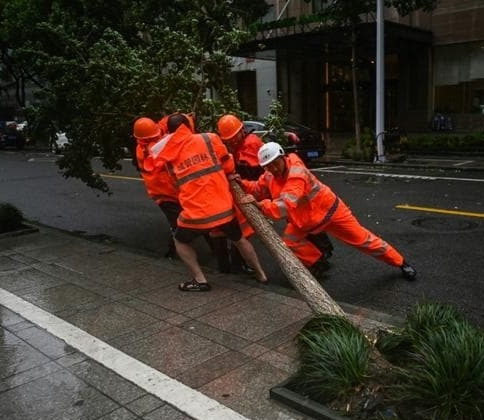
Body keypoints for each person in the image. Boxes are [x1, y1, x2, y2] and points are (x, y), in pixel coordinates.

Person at [234, 141, 417, 281]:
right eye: (268, 166)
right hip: (305, 221)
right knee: (288, 243)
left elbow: (284, 207)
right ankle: (317, 262)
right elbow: (259, 188)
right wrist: (241, 183)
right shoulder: (270, 175)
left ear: (283, 156)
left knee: (364, 240)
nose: (273, 168)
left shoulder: (296, 173)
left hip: (331, 214)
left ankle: (400, 262)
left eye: (275, 163)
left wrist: (260, 205)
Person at [153, 113, 268, 291]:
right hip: (223, 208)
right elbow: (228, 165)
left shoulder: (167, 155)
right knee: (240, 239)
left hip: (195, 214)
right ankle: (261, 274)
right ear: (189, 126)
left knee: (180, 241)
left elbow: (175, 183)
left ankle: (199, 280)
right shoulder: (209, 138)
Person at [217, 114, 334, 266]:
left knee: (300, 219)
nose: (232, 141)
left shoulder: (250, 143)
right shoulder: (239, 146)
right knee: (297, 219)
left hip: (273, 185)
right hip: (268, 185)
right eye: (229, 139)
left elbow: (254, 169)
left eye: (234, 137)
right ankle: (321, 252)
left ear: (241, 131)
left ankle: (322, 252)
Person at [132, 117, 180, 258]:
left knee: (190, 221)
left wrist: (180, 116)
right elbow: (172, 139)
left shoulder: (141, 145)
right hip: (166, 196)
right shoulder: (151, 150)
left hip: (170, 193)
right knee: (178, 226)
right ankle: (172, 253)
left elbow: (162, 125)